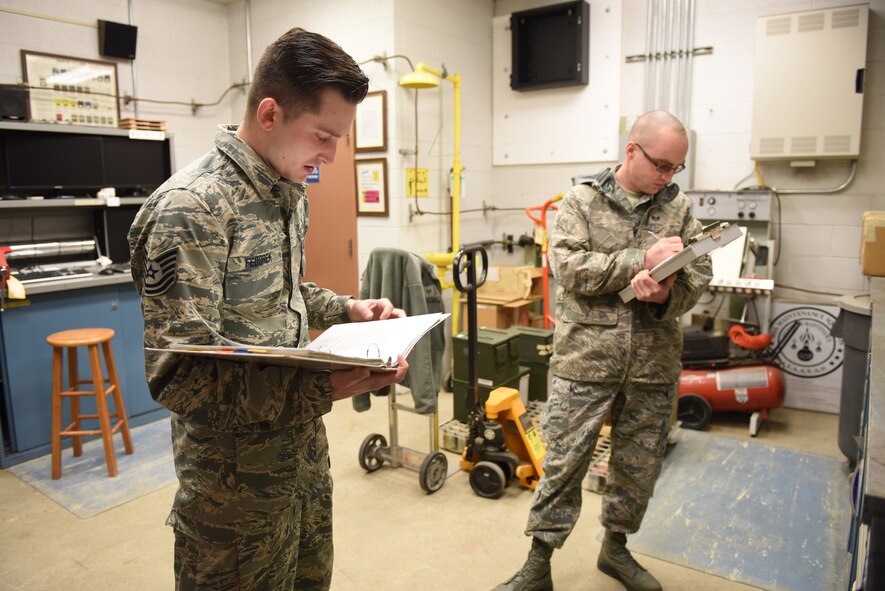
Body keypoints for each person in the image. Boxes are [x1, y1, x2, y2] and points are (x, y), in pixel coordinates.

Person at [128, 28, 409, 591]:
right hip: (233, 489)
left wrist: (347, 308)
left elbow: (282, 293)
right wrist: (322, 388)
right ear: (271, 112)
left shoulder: (284, 191)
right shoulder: (192, 209)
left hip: (300, 460)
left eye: (339, 140)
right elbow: (177, 376)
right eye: (323, 136)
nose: (330, 155)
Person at [493, 110, 713, 591]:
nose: (667, 177)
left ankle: (616, 549)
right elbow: (569, 268)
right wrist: (640, 260)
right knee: (564, 461)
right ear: (631, 150)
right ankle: (538, 561)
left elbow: (699, 275)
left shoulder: (680, 208)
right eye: (661, 165)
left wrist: (666, 294)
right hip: (586, 360)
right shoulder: (581, 201)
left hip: (654, 362)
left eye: (676, 168)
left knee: (639, 463)